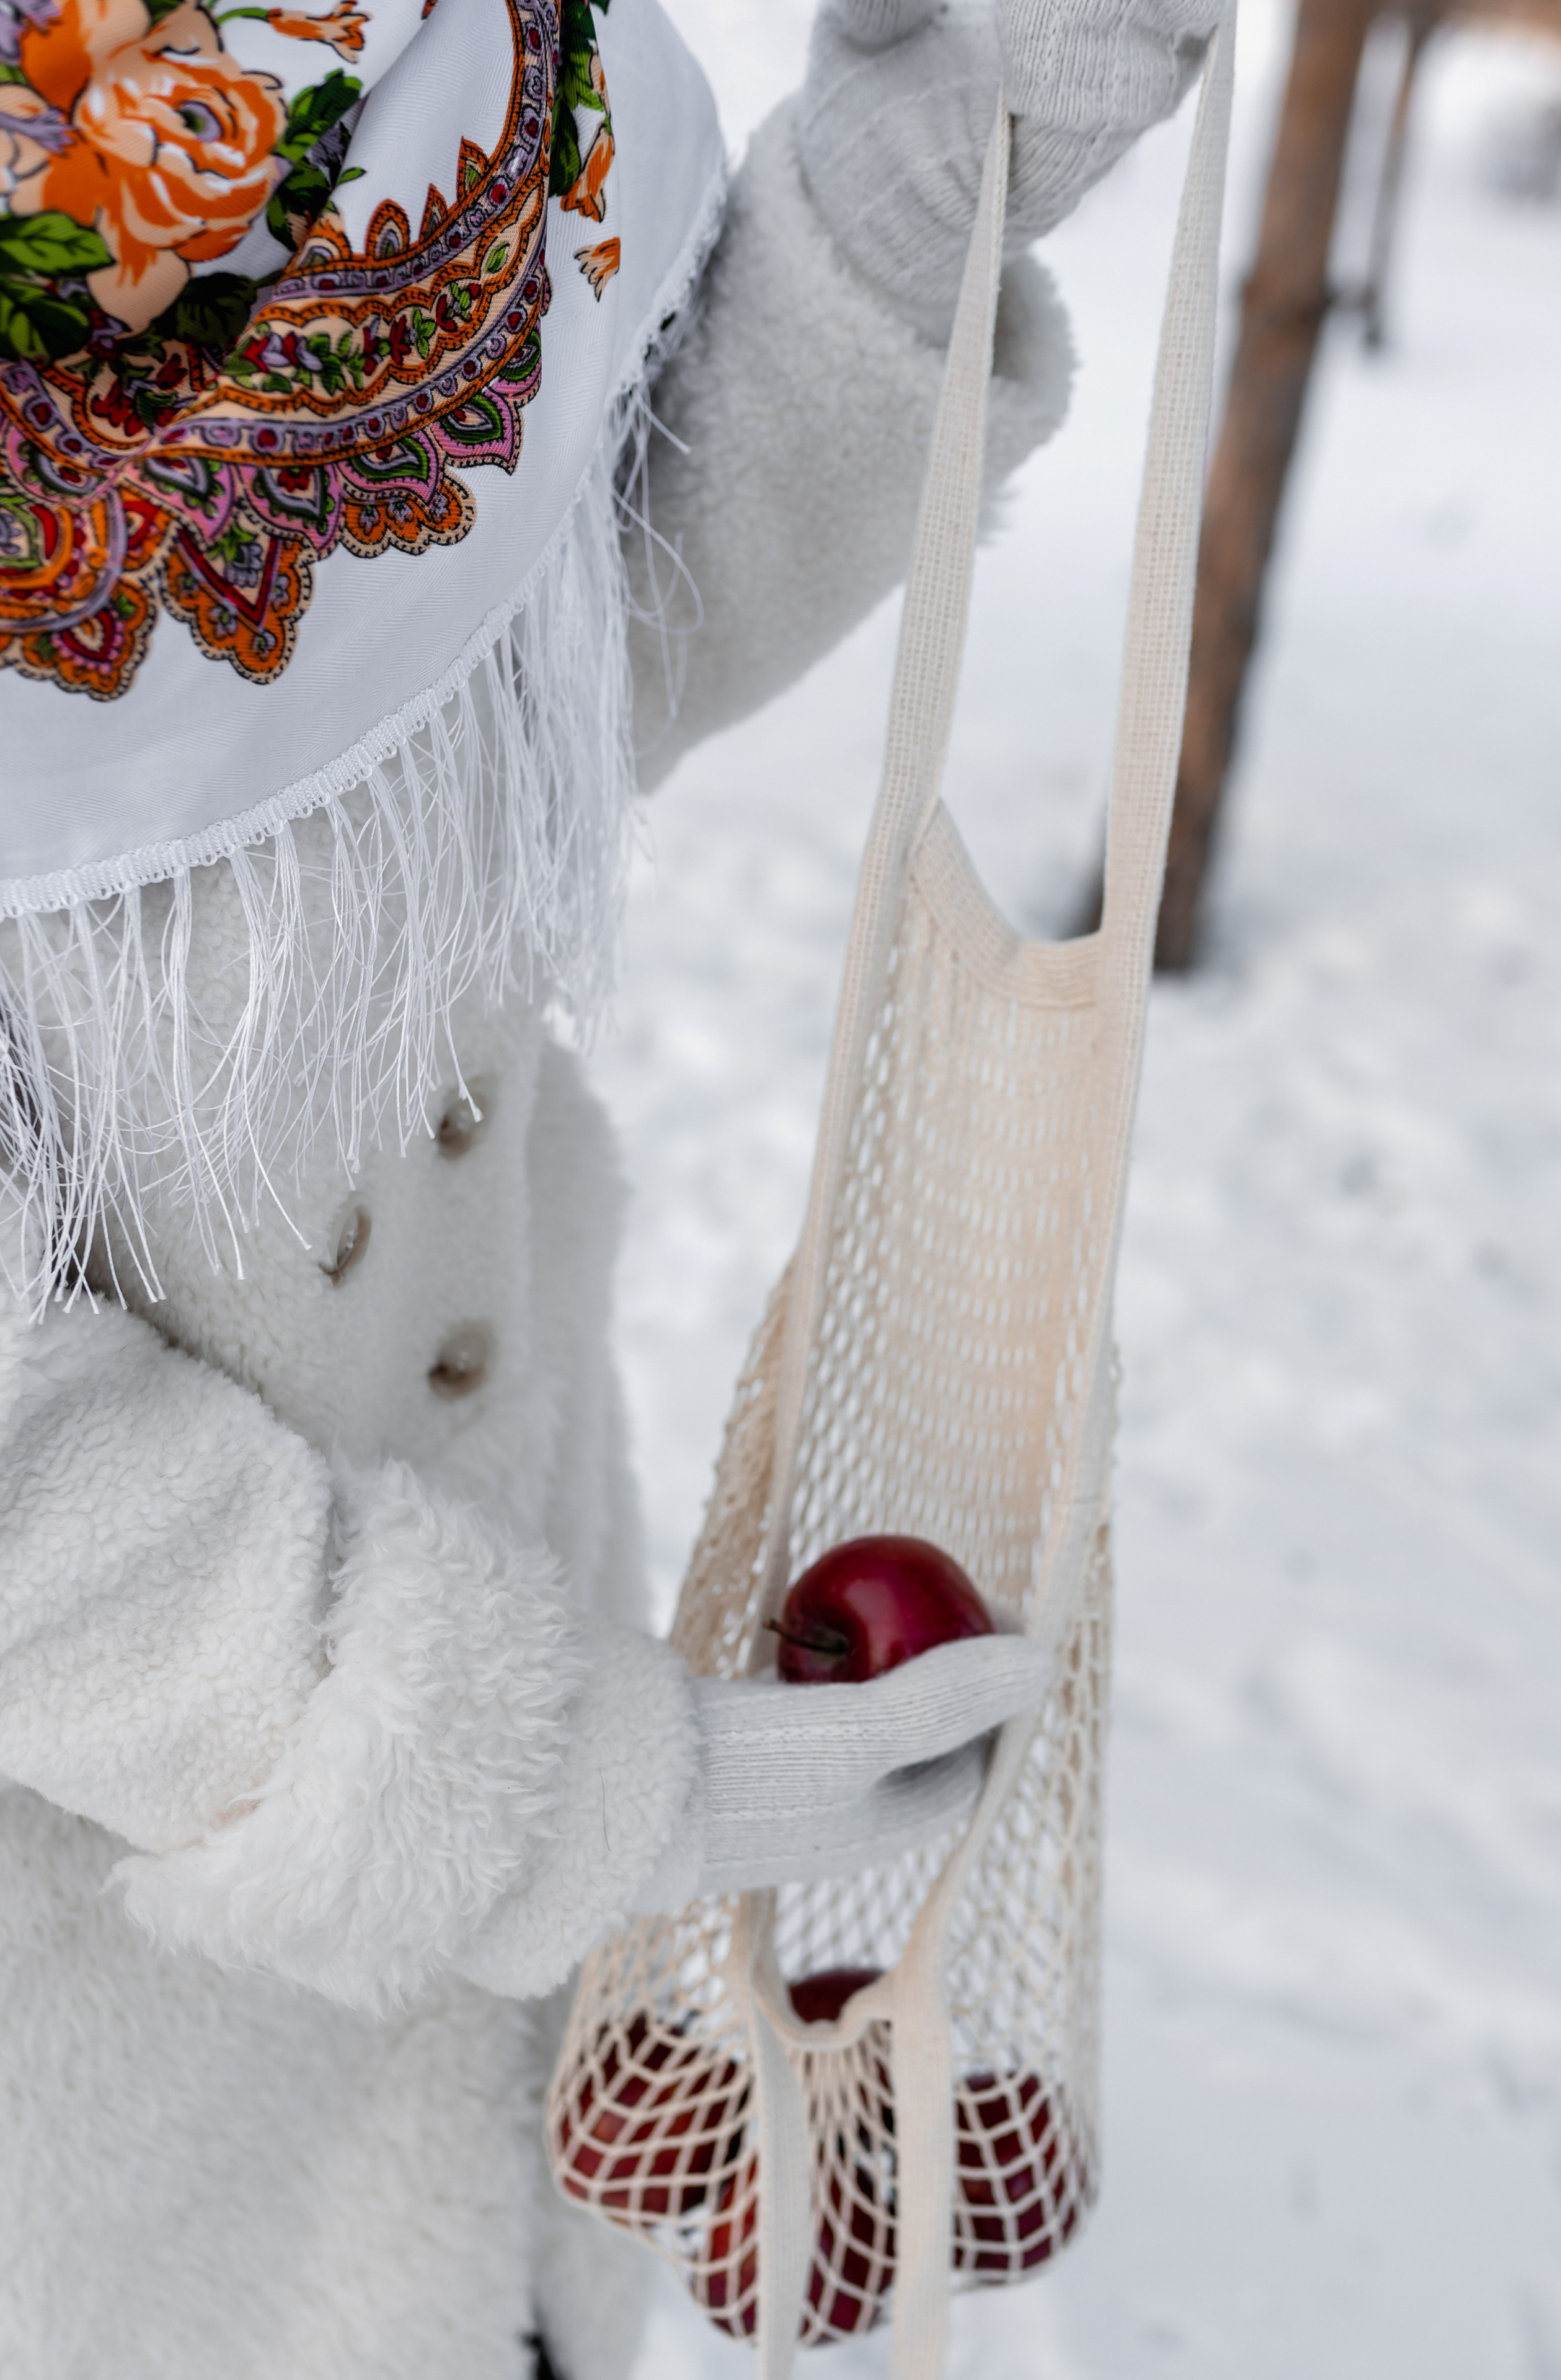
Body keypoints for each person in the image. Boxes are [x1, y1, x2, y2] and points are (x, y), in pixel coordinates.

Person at [0, 0, 1215, 2373]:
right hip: (113, 2117)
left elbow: (564, 622)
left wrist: (937, 164)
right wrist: (581, 1785)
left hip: (479, 2000)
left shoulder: (370, 81)